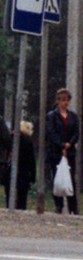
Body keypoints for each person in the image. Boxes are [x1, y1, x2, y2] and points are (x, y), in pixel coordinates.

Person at [45, 87, 79, 215]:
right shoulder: (52, 116)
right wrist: (61, 145)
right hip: (56, 151)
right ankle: (58, 205)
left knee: (71, 179)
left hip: (70, 151)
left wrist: (69, 144)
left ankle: (73, 207)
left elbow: (76, 132)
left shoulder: (73, 116)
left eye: (67, 100)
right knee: (57, 178)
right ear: (58, 101)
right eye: (63, 100)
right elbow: (51, 132)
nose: (66, 103)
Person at [11, 121, 37, 210]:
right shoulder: (28, 141)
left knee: (10, 190)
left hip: (12, 168)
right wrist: (33, 177)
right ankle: (21, 209)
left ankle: (9, 206)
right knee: (22, 195)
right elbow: (32, 160)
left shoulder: (12, 138)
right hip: (24, 170)